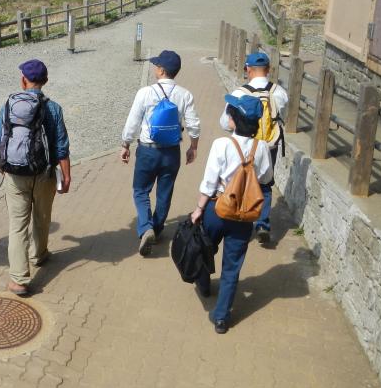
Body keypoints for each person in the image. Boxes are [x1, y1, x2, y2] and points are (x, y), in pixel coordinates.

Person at [191, 95, 273, 334]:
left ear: (235, 120)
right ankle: (222, 317)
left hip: (217, 208)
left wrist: (198, 209)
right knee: (232, 266)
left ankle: (204, 284)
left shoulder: (222, 144)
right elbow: (266, 179)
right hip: (244, 215)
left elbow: (209, 182)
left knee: (206, 247)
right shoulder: (262, 148)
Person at [0, 59, 71, 297]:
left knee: (17, 226)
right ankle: (39, 254)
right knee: (42, 216)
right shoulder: (53, 108)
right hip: (44, 172)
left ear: (23, 80)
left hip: (15, 174)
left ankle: (19, 279)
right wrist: (66, 175)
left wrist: (3, 163)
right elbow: (61, 147)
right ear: (45, 81)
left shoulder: (8, 104)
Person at [120, 50, 200, 256]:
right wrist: (193, 147)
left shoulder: (145, 93)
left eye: (157, 65)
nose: (155, 68)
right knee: (165, 192)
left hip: (148, 150)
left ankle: (146, 228)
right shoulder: (185, 94)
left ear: (161, 70)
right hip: (172, 152)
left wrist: (126, 144)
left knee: (140, 190)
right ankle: (157, 227)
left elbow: (133, 122)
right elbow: (193, 124)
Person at [219, 51, 288, 244]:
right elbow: (283, 118)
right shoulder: (280, 93)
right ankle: (262, 223)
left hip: (244, 145)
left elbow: (225, 123)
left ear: (248, 69)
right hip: (269, 145)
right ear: (268, 70)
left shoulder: (240, 93)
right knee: (265, 184)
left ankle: (239, 218)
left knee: (239, 181)